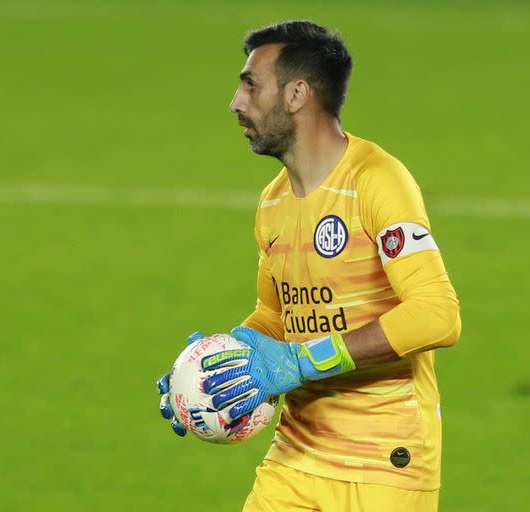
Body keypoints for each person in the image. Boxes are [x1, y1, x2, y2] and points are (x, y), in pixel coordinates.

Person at [158, 20, 461, 512]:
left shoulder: (376, 181)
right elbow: (277, 316)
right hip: (294, 458)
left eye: (250, 84)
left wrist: (301, 362)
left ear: (297, 93)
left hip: (383, 466)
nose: (236, 103)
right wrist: (215, 368)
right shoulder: (273, 203)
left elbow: (436, 314)